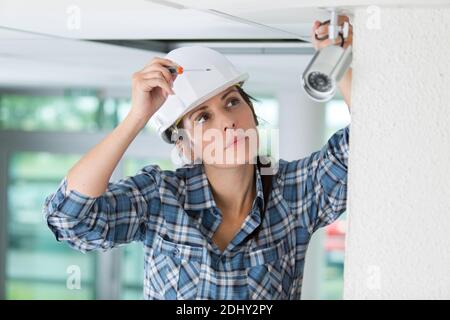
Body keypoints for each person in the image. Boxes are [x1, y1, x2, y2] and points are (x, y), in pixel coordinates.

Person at [43, 16, 353, 299]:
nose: (227, 121)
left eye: (232, 102)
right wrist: (136, 117)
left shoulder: (293, 193)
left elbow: (363, 150)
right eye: (203, 117)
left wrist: (339, 60)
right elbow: (71, 218)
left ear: (253, 114)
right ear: (184, 142)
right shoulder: (159, 198)